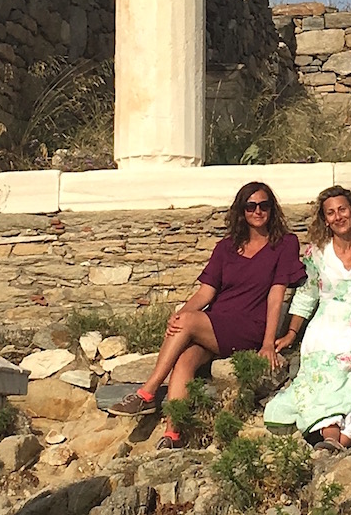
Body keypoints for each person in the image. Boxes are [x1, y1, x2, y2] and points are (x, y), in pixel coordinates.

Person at [110, 180, 304, 448]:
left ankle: (147, 393)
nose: (257, 211)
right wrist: (180, 316)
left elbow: (276, 294)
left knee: (188, 321)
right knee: (184, 360)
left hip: (249, 325)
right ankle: (173, 434)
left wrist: (268, 342)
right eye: (250, 206)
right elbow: (205, 293)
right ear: (241, 211)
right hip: (215, 323)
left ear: (272, 209)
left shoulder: (284, 244)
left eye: (264, 205)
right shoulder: (226, 248)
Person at [263, 186, 351, 450]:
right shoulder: (317, 253)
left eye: (342, 209)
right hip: (327, 332)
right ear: (324, 219)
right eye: (330, 213)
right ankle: (332, 438)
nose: (338, 216)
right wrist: (291, 333)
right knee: (326, 379)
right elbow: (306, 295)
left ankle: (339, 441)